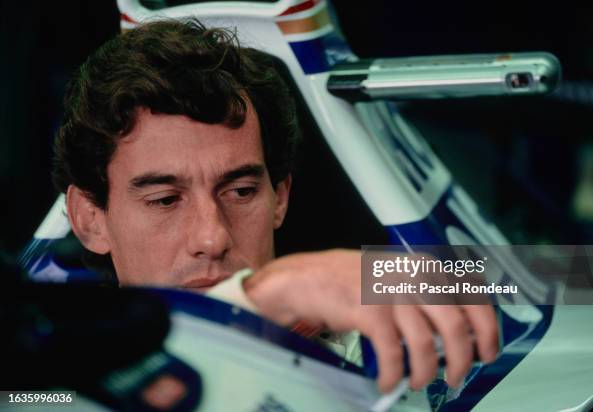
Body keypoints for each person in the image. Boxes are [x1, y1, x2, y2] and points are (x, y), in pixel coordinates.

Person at [52, 19, 498, 393]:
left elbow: (560, 276)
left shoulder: (351, 298)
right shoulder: (47, 378)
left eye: (241, 192)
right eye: (165, 200)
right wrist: (254, 299)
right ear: (91, 219)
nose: (213, 237)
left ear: (279, 197)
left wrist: (383, 276)